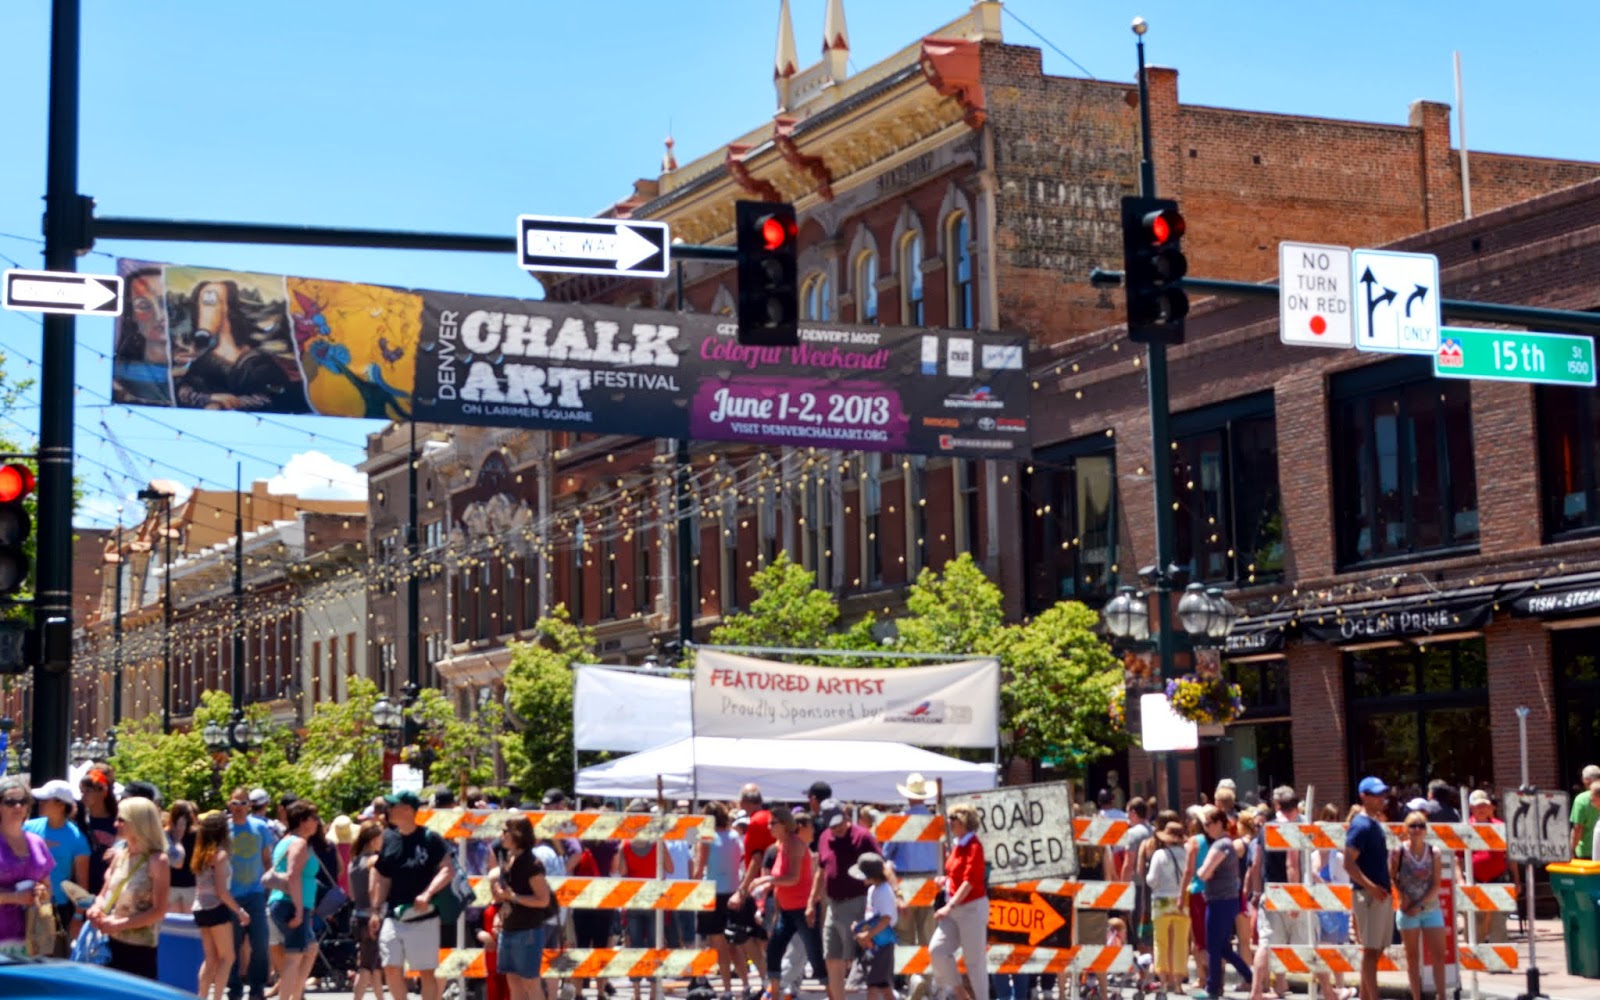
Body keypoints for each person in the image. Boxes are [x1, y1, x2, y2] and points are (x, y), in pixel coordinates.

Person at [370, 789, 454, 1000]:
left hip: (424, 915)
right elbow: (383, 877)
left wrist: (428, 893)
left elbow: (447, 869)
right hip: (394, 914)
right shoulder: (388, 838)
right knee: (390, 966)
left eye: (393, 806)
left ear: (408, 809)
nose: (388, 810)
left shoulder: (430, 838)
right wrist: (375, 910)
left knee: (426, 972)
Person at [86, 796, 171, 979]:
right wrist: (96, 909)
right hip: (110, 945)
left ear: (138, 822)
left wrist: (119, 924)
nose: (115, 824)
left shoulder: (158, 861)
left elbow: (159, 911)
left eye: (121, 819)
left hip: (140, 952)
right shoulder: (120, 856)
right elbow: (104, 895)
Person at [812, 803, 883, 1000]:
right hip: (833, 904)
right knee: (832, 957)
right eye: (833, 826)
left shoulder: (863, 837)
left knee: (864, 956)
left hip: (858, 902)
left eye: (840, 823)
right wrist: (812, 900)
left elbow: (880, 865)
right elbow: (821, 871)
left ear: (846, 816)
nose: (837, 829)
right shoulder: (825, 837)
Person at [885, 773, 941, 1000]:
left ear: (908, 796)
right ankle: (925, 983)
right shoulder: (936, 822)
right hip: (929, 881)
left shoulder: (899, 821)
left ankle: (914, 978)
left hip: (905, 881)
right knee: (927, 936)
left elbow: (887, 854)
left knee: (905, 936)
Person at [929, 803, 990, 1000]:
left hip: (971, 909)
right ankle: (961, 993)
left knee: (975, 963)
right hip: (954, 910)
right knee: (937, 951)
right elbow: (956, 875)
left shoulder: (974, 847)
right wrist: (945, 881)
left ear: (964, 822)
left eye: (953, 820)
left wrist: (949, 906)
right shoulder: (958, 844)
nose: (950, 823)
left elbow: (970, 882)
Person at [752, 808, 812, 1000]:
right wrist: (766, 907)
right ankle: (774, 991)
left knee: (797, 955)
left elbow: (792, 878)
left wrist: (766, 881)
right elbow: (775, 884)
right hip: (783, 909)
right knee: (784, 954)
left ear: (785, 825)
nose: (769, 827)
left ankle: (774, 992)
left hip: (801, 909)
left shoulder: (795, 845)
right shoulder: (777, 848)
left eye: (773, 823)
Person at [24, 778, 88, 957]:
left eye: (46, 800)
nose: (40, 803)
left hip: (57, 909)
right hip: (24, 903)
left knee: (51, 960)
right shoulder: (28, 827)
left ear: (61, 804)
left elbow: (82, 882)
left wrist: (77, 917)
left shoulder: (77, 839)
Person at [493, 815, 553, 1000]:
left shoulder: (532, 864)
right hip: (509, 928)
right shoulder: (510, 859)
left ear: (517, 834)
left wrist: (513, 897)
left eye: (505, 831)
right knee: (513, 981)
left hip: (527, 931)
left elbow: (543, 900)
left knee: (530, 983)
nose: (501, 835)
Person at [266, 800, 321, 1000]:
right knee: (293, 957)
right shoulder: (298, 843)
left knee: (311, 948)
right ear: (302, 821)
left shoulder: (285, 841)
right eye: (314, 818)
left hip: (286, 902)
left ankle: (295, 996)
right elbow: (293, 876)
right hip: (291, 903)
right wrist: (298, 911)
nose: (317, 822)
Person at [193, 811, 251, 1000]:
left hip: (200, 907)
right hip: (216, 908)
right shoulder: (220, 855)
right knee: (228, 957)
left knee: (211, 959)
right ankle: (217, 997)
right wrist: (239, 910)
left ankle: (202, 996)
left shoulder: (200, 854)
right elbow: (221, 891)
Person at [1346, 777, 1394, 1000]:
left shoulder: (1373, 823)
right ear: (1363, 796)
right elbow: (1348, 863)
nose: (1381, 798)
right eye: (1376, 795)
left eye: (1383, 794)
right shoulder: (1361, 825)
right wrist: (1371, 887)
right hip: (1368, 895)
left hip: (1379, 894)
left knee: (1377, 949)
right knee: (1371, 950)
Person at [1197, 806, 1252, 1000]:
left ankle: (1212, 989)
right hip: (1226, 900)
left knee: (1213, 946)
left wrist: (1203, 872)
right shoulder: (1226, 843)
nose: (1206, 828)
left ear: (1219, 823)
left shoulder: (1221, 845)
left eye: (1208, 823)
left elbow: (1203, 872)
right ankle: (1250, 977)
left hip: (1219, 901)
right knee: (1223, 948)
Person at [694, 802, 748, 1000]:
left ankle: (727, 989)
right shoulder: (735, 836)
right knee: (734, 944)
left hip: (713, 893)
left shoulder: (706, 838)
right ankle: (746, 985)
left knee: (720, 945)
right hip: (734, 892)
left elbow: (699, 870)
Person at [226, 785, 276, 1000]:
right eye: (235, 802)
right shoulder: (224, 829)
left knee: (261, 942)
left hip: (256, 893)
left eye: (243, 802)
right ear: (229, 804)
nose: (239, 807)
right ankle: (234, 988)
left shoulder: (260, 827)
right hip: (231, 894)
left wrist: (270, 886)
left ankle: (257, 988)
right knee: (233, 945)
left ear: (249, 805)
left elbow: (267, 859)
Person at [1392, 811, 1446, 1000]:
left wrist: (1420, 905)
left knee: (1439, 955)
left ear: (1426, 829)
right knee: (1412, 957)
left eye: (1421, 825)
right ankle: (1416, 996)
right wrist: (1403, 897)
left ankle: (1442, 996)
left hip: (1430, 908)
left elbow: (1437, 884)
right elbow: (1392, 877)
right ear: (1406, 829)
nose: (1417, 829)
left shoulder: (1434, 852)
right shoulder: (1399, 852)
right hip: (1407, 910)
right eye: (1413, 825)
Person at [0, 777, 53, 957]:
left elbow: (48, 887)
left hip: (32, 936)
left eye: (23, 801)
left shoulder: (37, 842)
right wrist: (15, 897)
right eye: (10, 802)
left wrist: (41, 892)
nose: (18, 807)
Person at [728, 784, 775, 986]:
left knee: (742, 934)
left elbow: (756, 858)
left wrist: (742, 890)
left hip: (758, 888)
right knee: (763, 937)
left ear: (744, 802)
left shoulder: (756, 822)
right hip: (769, 886)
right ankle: (770, 981)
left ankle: (767, 980)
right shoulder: (769, 818)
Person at [1146, 820, 1192, 995]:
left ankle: (1163, 982)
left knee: (1161, 942)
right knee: (1181, 943)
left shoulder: (1159, 855)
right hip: (1182, 901)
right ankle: (1179, 984)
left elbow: (1152, 879)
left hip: (1161, 901)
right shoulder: (1187, 853)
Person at [849, 853, 897, 1000]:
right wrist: (860, 928)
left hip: (882, 945)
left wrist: (868, 934)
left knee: (873, 984)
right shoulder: (873, 890)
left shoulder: (884, 891)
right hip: (874, 944)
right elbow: (873, 917)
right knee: (883, 984)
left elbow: (886, 920)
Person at [347, 821, 387, 1000]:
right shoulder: (374, 861)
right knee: (366, 966)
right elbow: (373, 888)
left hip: (357, 915)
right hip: (372, 917)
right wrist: (375, 911)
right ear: (373, 840)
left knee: (374, 965)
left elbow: (352, 894)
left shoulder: (353, 862)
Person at [1467, 790, 1511, 944]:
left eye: (1484, 805)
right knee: (1475, 924)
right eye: (1478, 806)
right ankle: (1475, 956)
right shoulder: (1465, 828)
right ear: (1471, 808)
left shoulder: (1500, 827)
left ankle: (1500, 957)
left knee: (1498, 924)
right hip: (1473, 881)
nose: (1482, 809)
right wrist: (1461, 880)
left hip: (1498, 879)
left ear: (1490, 807)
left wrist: (1516, 879)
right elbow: (1458, 857)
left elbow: (1510, 856)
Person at [77, 767, 118, 896]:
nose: (83, 796)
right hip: (81, 888)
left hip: (109, 890)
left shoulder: (118, 822)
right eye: (82, 792)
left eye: (88, 791)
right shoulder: (79, 820)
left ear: (103, 791)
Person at [168, 800, 200, 913]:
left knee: (174, 920)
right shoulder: (198, 834)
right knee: (190, 919)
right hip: (191, 883)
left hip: (171, 883)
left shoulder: (167, 834)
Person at [1573, 765, 1600, 860]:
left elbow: (1578, 828)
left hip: (1586, 853)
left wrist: (1571, 850)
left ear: (1585, 780)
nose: (1591, 800)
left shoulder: (1581, 800)